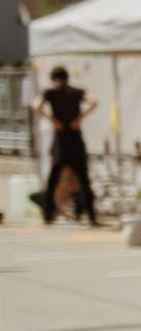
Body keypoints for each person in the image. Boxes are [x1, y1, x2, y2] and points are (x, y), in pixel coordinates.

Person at [32, 66, 98, 225]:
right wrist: (79, 118)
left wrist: (52, 121)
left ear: (53, 78)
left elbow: (36, 106)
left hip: (60, 139)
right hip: (75, 138)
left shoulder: (50, 92)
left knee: (53, 179)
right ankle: (91, 215)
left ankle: (48, 215)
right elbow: (94, 102)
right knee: (84, 179)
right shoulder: (77, 91)